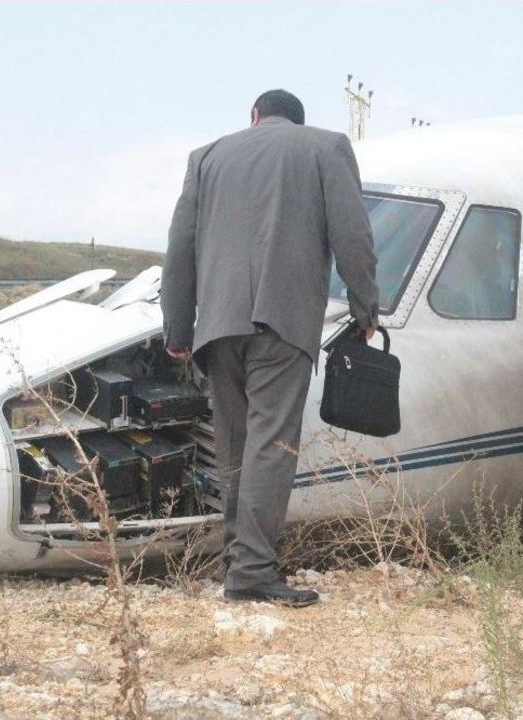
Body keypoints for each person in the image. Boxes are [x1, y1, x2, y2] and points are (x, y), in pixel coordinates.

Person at [161, 90, 379, 606]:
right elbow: (353, 233)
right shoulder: (325, 148)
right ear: (297, 120)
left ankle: (239, 564)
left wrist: (177, 327)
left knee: (235, 445)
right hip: (282, 320)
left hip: (217, 325)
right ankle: (253, 571)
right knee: (270, 445)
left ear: (254, 117)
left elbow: (180, 245)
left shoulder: (207, 157)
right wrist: (365, 307)